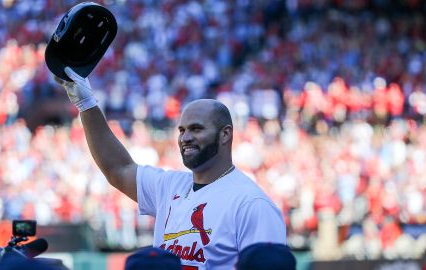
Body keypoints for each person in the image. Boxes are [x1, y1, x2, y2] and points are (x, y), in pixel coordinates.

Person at [55, 67, 286, 269]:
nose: (185, 137)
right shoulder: (170, 186)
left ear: (225, 134)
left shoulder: (252, 204)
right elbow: (119, 169)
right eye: (182, 130)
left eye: (196, 129)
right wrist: (86, 104)